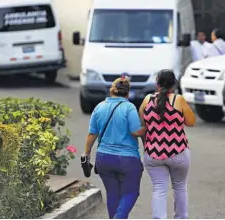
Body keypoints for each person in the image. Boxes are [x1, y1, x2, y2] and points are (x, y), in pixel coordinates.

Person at [82, 76, 146, 219]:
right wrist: (147, 128)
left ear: (112, 90)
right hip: (127, 159)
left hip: (103, 158)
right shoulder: (129, 107)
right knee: (131, 192)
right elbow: (136, 131)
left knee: (112, 194)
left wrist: (86, 154)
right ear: (127, 93)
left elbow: (92, 134)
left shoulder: (99, 107)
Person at [139, 69, 196, 219]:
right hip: (178, 152)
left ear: (157, 83)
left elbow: (142, 124)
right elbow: (191, 122)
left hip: (153, 153)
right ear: (174, 84)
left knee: (159, 189)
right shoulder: (179, 100)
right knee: (180, 187)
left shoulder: (147, 100)